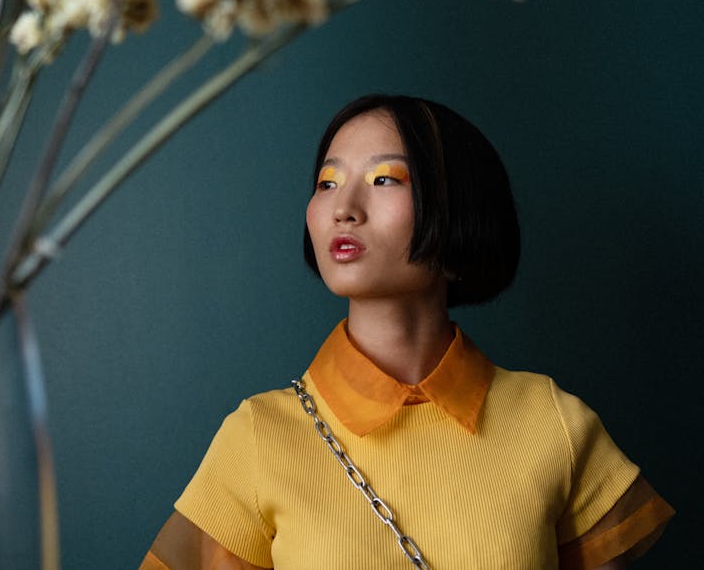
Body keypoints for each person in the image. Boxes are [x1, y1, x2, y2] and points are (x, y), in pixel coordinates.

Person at [139, 94, 673, 569]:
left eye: (383, 179)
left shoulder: (554, 423)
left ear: (457, 206)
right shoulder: (257, 436)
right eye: (327, 183)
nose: (343, 209)